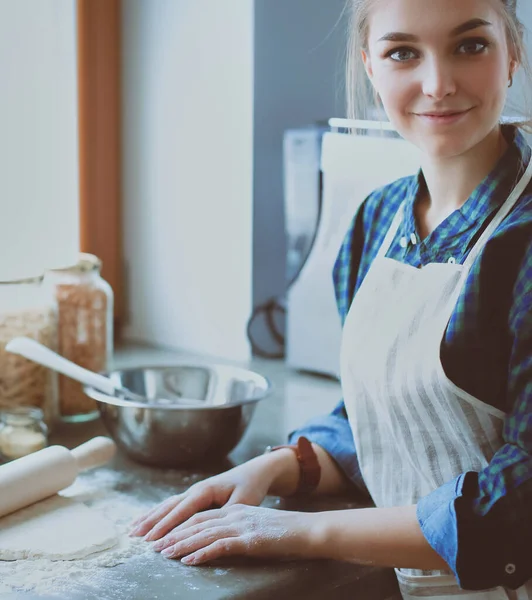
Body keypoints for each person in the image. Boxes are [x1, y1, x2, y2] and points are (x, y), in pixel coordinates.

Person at [131, 0, 532, 597]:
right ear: (370, 66)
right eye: (402, 52)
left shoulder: (520, 241)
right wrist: (286, 464)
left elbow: (517, 506)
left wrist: (300, 533)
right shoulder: (377, 220)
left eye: (469, 46)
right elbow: (383, 412)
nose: (437, 83)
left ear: (512, 54)